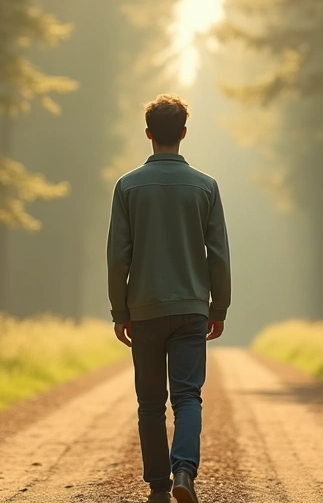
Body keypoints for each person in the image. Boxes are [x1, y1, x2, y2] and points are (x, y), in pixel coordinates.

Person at [107, 94, 231, 503]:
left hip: (143, 310)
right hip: (192, 308)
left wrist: (120, 310)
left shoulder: (127, 186)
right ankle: (184, 472)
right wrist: (218, 307)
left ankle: (159, 487)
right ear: (183, 133)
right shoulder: (206, 186)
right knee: (187, 397)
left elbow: (118, 256)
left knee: (150, 402)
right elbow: (218, 253)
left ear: (148, 134)